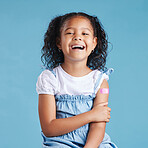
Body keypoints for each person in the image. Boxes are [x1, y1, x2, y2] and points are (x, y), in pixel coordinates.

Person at [36, 12, 117, 148]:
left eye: (84, 34)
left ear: (94, 43)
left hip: (94, 143)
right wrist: (92, 115)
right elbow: (49, 128)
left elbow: (99, 125)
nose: (77, 37)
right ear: (59, 43)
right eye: (69, 33)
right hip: (60, 142)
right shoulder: (49, 78)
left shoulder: (100, 82)